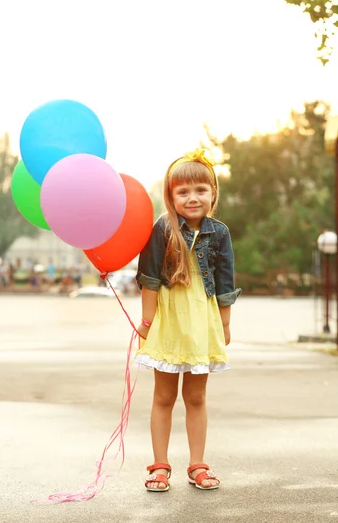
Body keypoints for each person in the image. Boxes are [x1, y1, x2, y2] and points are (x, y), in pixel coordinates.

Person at [134, 149, 241, 493]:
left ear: (212, 192)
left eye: (200, 190)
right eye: (183, 192)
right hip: (168, 318)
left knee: (196, 397)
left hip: (202, 320)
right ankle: (160, 466)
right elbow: (149, 278)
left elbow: (225, 282)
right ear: (171, 196)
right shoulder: (163, 229)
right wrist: (147, 322)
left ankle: (197, 464)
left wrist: (224, 325)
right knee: (163, 397)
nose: (192, 198)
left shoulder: (219, 232)